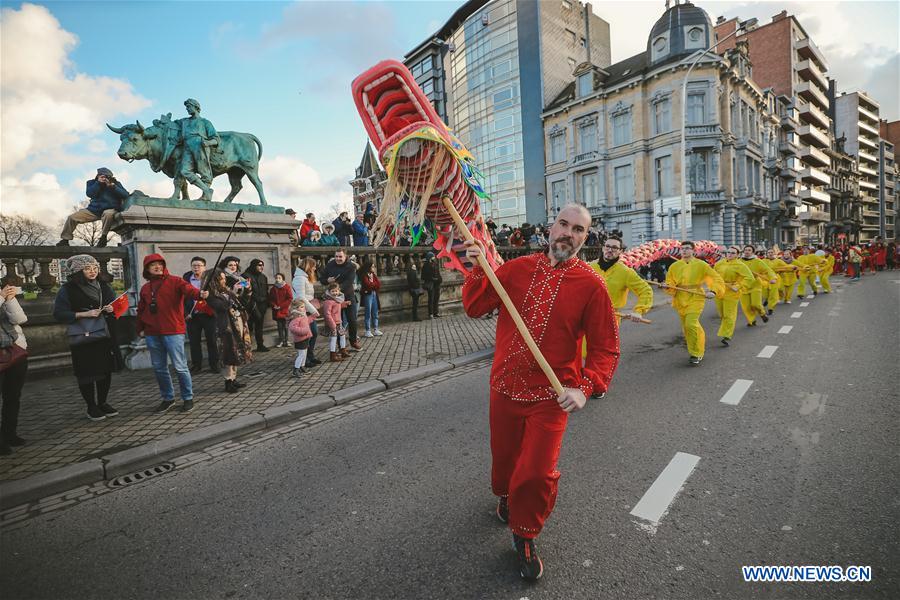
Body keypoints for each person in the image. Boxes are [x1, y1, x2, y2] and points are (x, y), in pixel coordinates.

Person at [462, 204, 620, 582]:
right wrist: (477, 268)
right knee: (504, 463)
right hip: (504, 388)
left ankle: (525, 533)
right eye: (563, 224)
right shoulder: (515, 270)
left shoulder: (592, 285)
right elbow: (475, 306)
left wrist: (584, 388)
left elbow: (606, 349)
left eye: (578, 229)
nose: (568, 233)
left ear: (586, 238)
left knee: (535, 472)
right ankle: (505, 497)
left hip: (551, 397)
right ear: (551, 228)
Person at [53, 255, 125, 420]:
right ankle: (91, 406)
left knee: (105, 370)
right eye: (87, 268)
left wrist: (112, 309)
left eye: (94, 268)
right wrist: (84, 314)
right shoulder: (68, 289)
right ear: (78, 271)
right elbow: (59, 313)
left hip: (105, 334)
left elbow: (117, 307)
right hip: (83, 337)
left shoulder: (104, 286)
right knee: (87, 372)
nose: (92, 271)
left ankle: (103, 403)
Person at [137, 253, 206, 413]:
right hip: (152, 333)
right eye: (153, 265)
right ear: (147, 269)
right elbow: (141, 310)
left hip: (173, 331)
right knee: (159, 368)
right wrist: (139, 328)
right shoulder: (145, 288)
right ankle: (168, 398)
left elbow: (189, 290)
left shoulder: (175, 281)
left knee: (180, 366)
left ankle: (188, 397)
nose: (157, 267)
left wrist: (200, 294)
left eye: (160, 264)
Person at [662, 241, 725, 365]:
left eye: (687, 248)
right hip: (680, 298)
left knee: (691, 324)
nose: (684, 251)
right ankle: (695, 347)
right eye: (682, 249)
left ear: (693, 251)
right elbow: (670, 282)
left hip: (696, 297)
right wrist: (666, 286)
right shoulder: (674, 266)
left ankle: (696, 353)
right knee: (687, 327)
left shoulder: (701, 265)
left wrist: (714, 291)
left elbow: (716, 278)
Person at [205, 269, 252, 393]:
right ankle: (228, 381)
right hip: (225, 327)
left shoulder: (227, 291)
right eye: (221, 279)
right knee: (227, 353)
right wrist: (234, 294)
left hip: (237, 322)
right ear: (215, 280)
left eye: (224, 278)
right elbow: (222, 307)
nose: (224, 281)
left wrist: (247, 290)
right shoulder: (210, 294)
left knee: (236, 352)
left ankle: (233, 378)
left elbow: (243, 303)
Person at [57, 168, 129, 247]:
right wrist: (98, 183)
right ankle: (65, 239)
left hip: (110, 208)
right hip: (94, 210)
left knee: (108, 214)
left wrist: (113, 187)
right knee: (72, 217)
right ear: (98, 176)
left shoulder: (116, 184)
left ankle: (103, 238)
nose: (105, 179)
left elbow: (125, 195)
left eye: (107, 177)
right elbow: (90, 194)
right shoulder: (91, 183)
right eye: (102, 176)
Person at [589, 236, 653, 324]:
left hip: (609, 320)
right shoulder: (590, 267)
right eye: (607, 246)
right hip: (588, 317)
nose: (610, 250)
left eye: (614, 248)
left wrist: (638, 311)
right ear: (603, 248)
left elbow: (646, 290)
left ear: (621, 251)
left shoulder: (626, 272)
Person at [0, 285, 28, 455]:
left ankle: (9, 434)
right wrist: (2, 297)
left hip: (15, 351)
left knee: (12, 397)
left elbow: (20, 319)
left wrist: (10, 300)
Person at [183, 257, 219, 374]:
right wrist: (186, 313)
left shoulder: (211, 278)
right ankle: (196, 365)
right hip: (193, 315)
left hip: (208, 314)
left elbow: (218, 294)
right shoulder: (186, 279)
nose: (196, 268)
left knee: (212, 341)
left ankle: (214, 364)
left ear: (204, 267)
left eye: (199, 265)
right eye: (194, 265)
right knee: (194, 342)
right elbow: (181, 298)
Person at [178, 98, 219, 201]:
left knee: (204, 171)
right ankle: (207, 190)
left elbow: (216, 139)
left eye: (189, 107)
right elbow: (171, 125)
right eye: (186, 107)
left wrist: (208, 143)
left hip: (199, 145)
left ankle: (205, 195)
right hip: (187, 145)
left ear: (196, 107)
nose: (187, 109)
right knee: (184, 170)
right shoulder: (184, 121)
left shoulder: (205, 122)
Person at [714, 247, 754, 346]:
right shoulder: (719, 263)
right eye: (728, 252)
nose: (730, 254)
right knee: (722, 314)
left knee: (729, 314)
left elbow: (750, 278)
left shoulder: (740, 265)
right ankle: (725, 330)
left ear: (737, 255)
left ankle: (726, 335)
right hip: (719, 290)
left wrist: (738, 286)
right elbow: (713, 275)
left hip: (732, 292)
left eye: (733, 253)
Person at [322, 248, 361, 350]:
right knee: (338, 322)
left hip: (348, 296)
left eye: (340, 257)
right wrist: (327, 280)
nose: (338, 259)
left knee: (352, 320)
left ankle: (353, 341)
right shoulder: (330, 265)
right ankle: (341, 345)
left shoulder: (351, 266)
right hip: (334, 299)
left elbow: (349, 282)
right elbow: (322, 279)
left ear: (345, 256)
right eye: (336, 256)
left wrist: (337, 290)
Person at [291, 258, 322, 368]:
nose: (315, 268)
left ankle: (310, 356)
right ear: (308, 266)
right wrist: (313, 310)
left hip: (308, 308)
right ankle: (306, 359)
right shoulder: (299, 278)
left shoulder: (305, 277)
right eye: (313, 266)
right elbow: (301, 297)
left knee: (313, 333)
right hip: (304, 310)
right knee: (308, 334)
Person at [739, 245, 775, 326]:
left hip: (755, 285)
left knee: (755, 304)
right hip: (744, 286)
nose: (747, 251)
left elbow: (768, 270)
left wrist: (773, 278)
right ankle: (751, 320)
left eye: (749, 250)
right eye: (745, 250)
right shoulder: (739, 261)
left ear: (753, 252)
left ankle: (762, 314)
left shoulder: (757, 261)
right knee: (747, 307)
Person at [242, 259, 270, 352]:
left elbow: (266, 290)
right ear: (254, 266)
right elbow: (243, 290)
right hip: (250, 305)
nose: (261, 267)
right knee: (248, 326)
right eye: (259, 265)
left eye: (262, 265)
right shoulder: (245, 276)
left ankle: (260, 345)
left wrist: (267, 303)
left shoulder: (263, 277)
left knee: (259, 326)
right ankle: (247, 347)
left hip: (262, 304)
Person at [322, 282, 351, 362]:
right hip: (333, 323)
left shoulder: (337, 299)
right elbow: (327, 314)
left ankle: (343, 350)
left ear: (339, 291)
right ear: (329, 291)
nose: (335, 293)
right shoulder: (328, 301)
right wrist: (332, 324)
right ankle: (333, 355)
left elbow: (337, 307)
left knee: (342, 335)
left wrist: (344, 304)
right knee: (333, 338)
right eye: (333, 291)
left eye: (336, 291)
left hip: (339, 321)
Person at [288, 299, 313, 377]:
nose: (304, 308)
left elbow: (305, 323)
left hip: (305, 338)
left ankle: (302, 367)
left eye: (304, 307)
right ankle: (296, 369)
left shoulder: (302, 315)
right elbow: (292, 328)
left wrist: (311, 318)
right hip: (300, 339)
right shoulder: (295, 317)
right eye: (302, 307)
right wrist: (303, 331)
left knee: (304, 353)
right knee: (301, 354)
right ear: (296, 308)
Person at [268, 273, 293, 348]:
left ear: (282, 279)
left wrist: (281, 306)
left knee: (285, 326)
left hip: (284, 309)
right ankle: (281, 340)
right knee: (279, 326)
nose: (277, 279)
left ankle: (287, 340)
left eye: (279, 278)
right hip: (277, 311)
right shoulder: (273, 288)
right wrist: (274, 305)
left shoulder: (287, 287)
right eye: (276, 278)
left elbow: (290, 298)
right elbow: (270, 299)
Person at [359, 262, 383, 337]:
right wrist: (373, 285)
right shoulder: (364, 275)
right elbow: (367, 284)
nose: (373, 268)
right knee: (368, 312)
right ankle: (368, 330)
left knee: (375, 312)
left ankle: (376, 329)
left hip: (374, 294)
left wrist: (373, 285)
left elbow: (378, 284)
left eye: (374, 266)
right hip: (368, 295)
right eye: (372, 266)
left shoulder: (373, 275)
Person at [421, 252, 443, 319]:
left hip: (437, 284)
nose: (434, 258)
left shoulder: (435, 264)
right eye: (432, 257)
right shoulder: (426, 265)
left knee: (436, 298)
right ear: (430, 258)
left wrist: (439, 279)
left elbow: (438, 273)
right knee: (431, 299)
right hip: (431, 284)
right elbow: (423, 276)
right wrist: (432, 278)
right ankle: (430, 314)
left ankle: (436, 312)